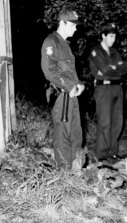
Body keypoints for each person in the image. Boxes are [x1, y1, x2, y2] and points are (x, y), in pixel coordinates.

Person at [41, 8, 85, 169]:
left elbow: (69, 72)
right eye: (72, 25)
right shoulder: (51, 42)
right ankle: (64, 172)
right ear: (62, 22)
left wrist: (79, 84)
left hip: (71, 95)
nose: (75, 28)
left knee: (75, 132)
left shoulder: (65, 45)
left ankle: (75, 167)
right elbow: (49, 71)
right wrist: (69, 86)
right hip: (61, 96)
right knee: (62, 133)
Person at [89, 23, 127, 161]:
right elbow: (105, 69)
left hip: (117, 88)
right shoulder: (96, 51)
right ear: (103, 36)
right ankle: (102, 154)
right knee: (105, 122)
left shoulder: (115, 52)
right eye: (111, 36)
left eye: (115, 36)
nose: (113, 39)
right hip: (104, 88)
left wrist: (114, 67)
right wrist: (113, 68)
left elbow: (125, 68)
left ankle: (113, 152)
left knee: (117, 121)